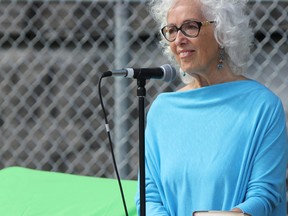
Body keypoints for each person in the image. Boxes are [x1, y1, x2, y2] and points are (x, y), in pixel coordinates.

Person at [135, 0, 288, 215]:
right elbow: (148, 195)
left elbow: (265, 194)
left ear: (222, 33)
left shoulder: (262, 106)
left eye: (190, 26)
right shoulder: (162, 110)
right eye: (171, 30)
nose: (179, 39)